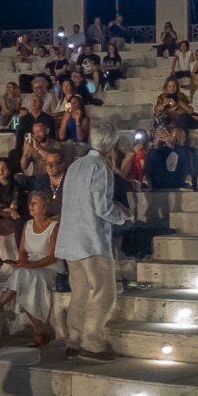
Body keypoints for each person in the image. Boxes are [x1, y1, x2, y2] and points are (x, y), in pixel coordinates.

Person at [53, 139, 126, 357]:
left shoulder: (76, 165)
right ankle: (91, 342)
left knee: (80, 292)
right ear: (111, 145)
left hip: (72, 238)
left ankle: (73, 340)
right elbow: (102, 208)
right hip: (91, 239)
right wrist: (121, 216)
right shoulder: (100, 167)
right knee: (104, 293)